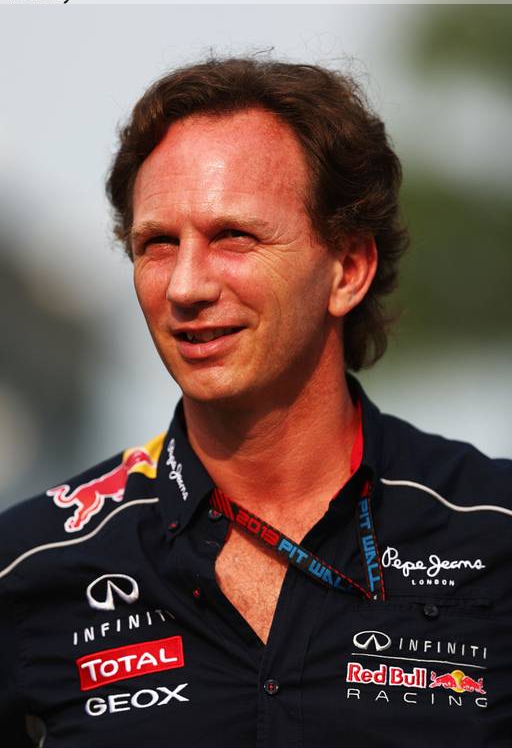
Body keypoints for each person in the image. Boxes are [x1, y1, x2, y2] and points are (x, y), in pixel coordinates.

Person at [0, 57, 510, 747]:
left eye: (233, 237)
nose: (185, 286)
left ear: (348, 269)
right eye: (157, 244)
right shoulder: (28, 563)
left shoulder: (493, 529)